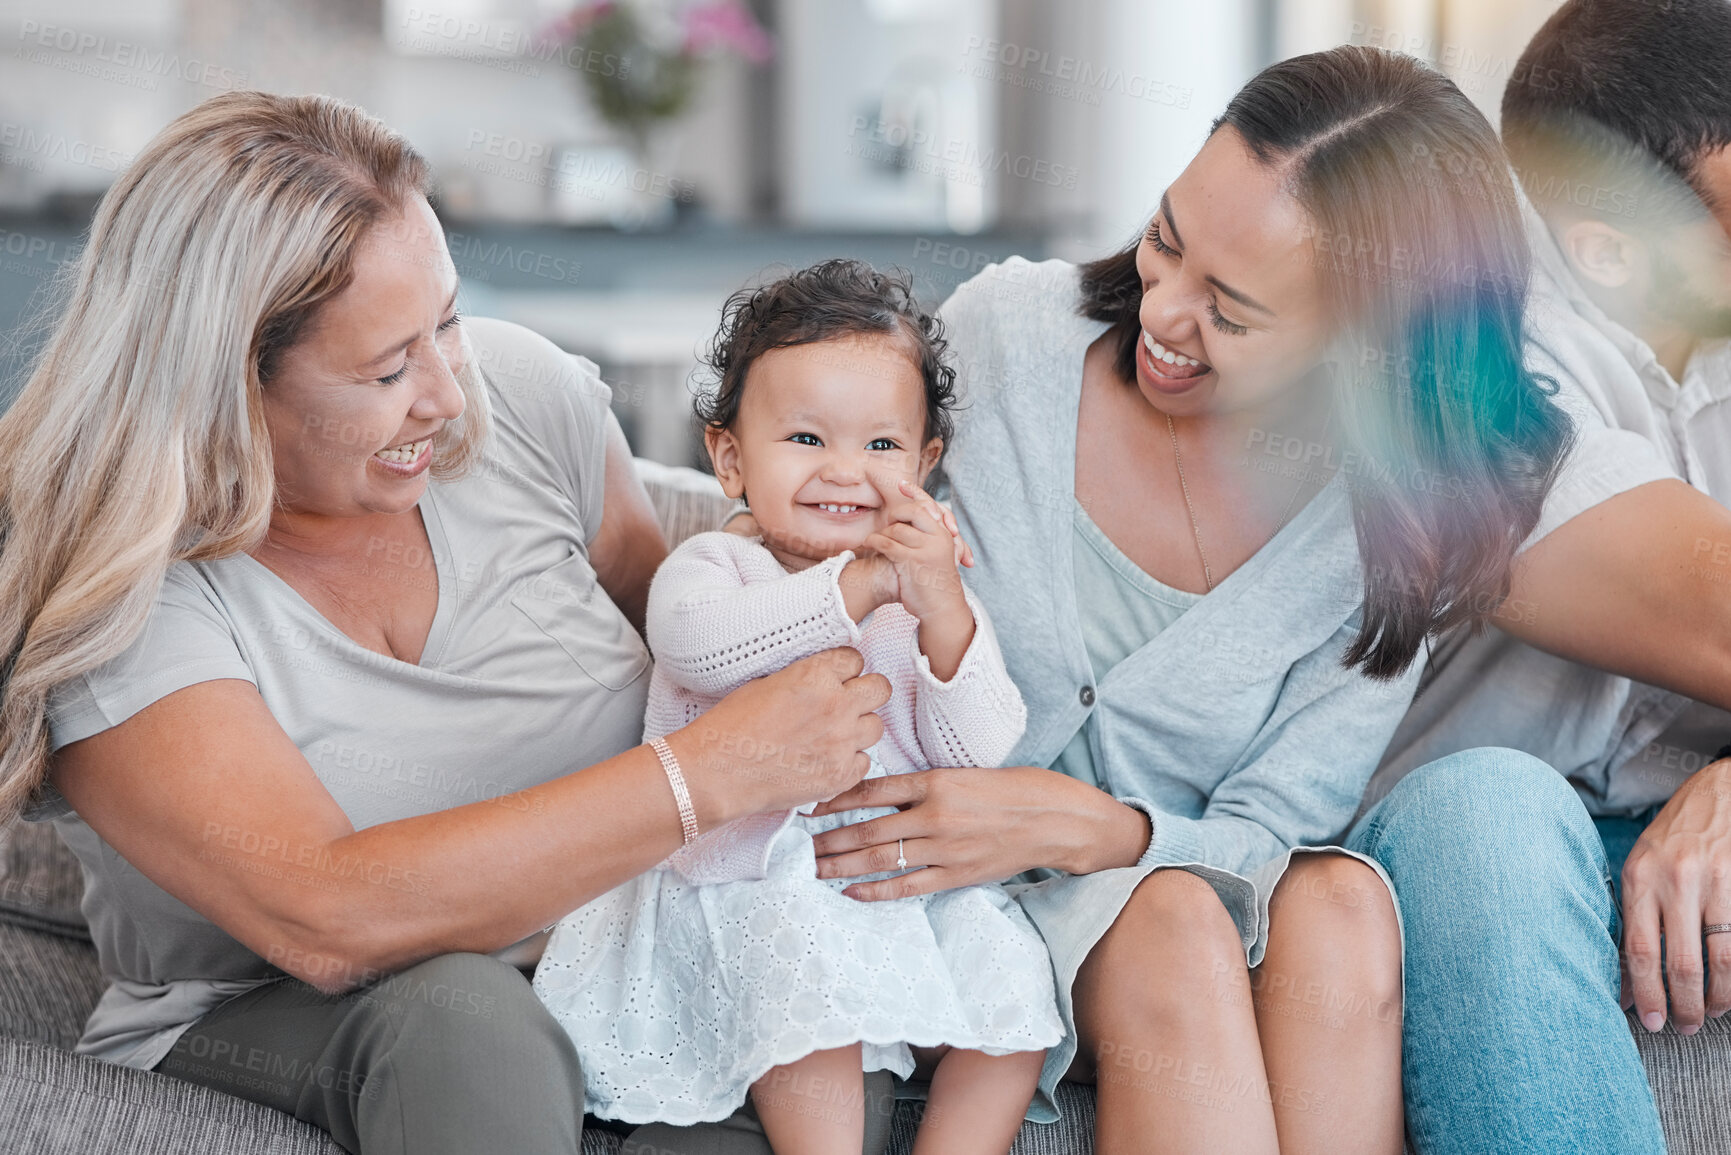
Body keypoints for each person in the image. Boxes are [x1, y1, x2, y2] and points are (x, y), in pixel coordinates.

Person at [0, 92, 894, 1155]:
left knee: (815, 1024)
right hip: (308, 1015)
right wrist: (707, 776)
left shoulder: (519, 396)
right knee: (468, 1021)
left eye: (450, 321)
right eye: (387, 370)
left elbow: (696, 637)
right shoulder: (128, 600)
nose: (448, 393)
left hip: (621, 954)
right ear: (227, 386)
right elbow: (324, 916)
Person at [802, 46, 1572, 1155]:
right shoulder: (1010, 335)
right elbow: (814, 530)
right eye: (1166, 240)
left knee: (1338, 904)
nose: (1161, 310)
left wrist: (1087, 828)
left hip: (1140, 895)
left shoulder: (1396, 523)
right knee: (1172, 924)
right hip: (922, 890)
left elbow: (1277, 832)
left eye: (1234, 309)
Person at [536, 260, 1060, 1155]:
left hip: (887, 879)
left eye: (883, 447)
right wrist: (853, 585)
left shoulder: (923, 594)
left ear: (927, 464)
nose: (845, 472)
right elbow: (699, 646)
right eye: (806, 439)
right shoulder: (716, 568)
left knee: (1015, 1005)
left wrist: (941, 611)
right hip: (754, 877)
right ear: (730, 457)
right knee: (808, 986)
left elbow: (979, 745)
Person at [1347, 1, 1731, 1150]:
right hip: (1466, 831)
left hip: (1694, 819)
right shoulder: (1449, 345)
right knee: (1491, 808)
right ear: (1616, 248)